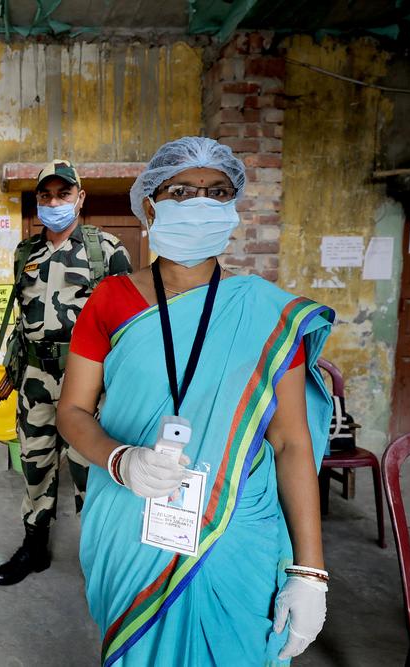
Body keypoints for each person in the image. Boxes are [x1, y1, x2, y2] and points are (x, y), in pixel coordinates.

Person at [55, 137, 334, 665]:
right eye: (181, 190)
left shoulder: (267, 314)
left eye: (217, 191)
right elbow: (71, 411)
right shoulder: (110, 299)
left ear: (232, 207)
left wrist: (309, 571)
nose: (199, 201)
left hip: (236, 524)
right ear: (152, 204)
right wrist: (119, 459)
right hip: (130, 511)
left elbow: (292, 442)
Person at [0, 159, 133, 586]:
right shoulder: (25, 253)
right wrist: (13, 365)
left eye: (63, 194)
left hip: (87, 380)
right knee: (35, 463)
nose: (54, 202)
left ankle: (98, 555)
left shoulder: (106, 250)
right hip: (35, 376)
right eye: (45, 196)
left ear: (80, 198)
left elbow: (127, 325)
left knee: (89, 467)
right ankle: (34, 548)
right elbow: (23, 318)